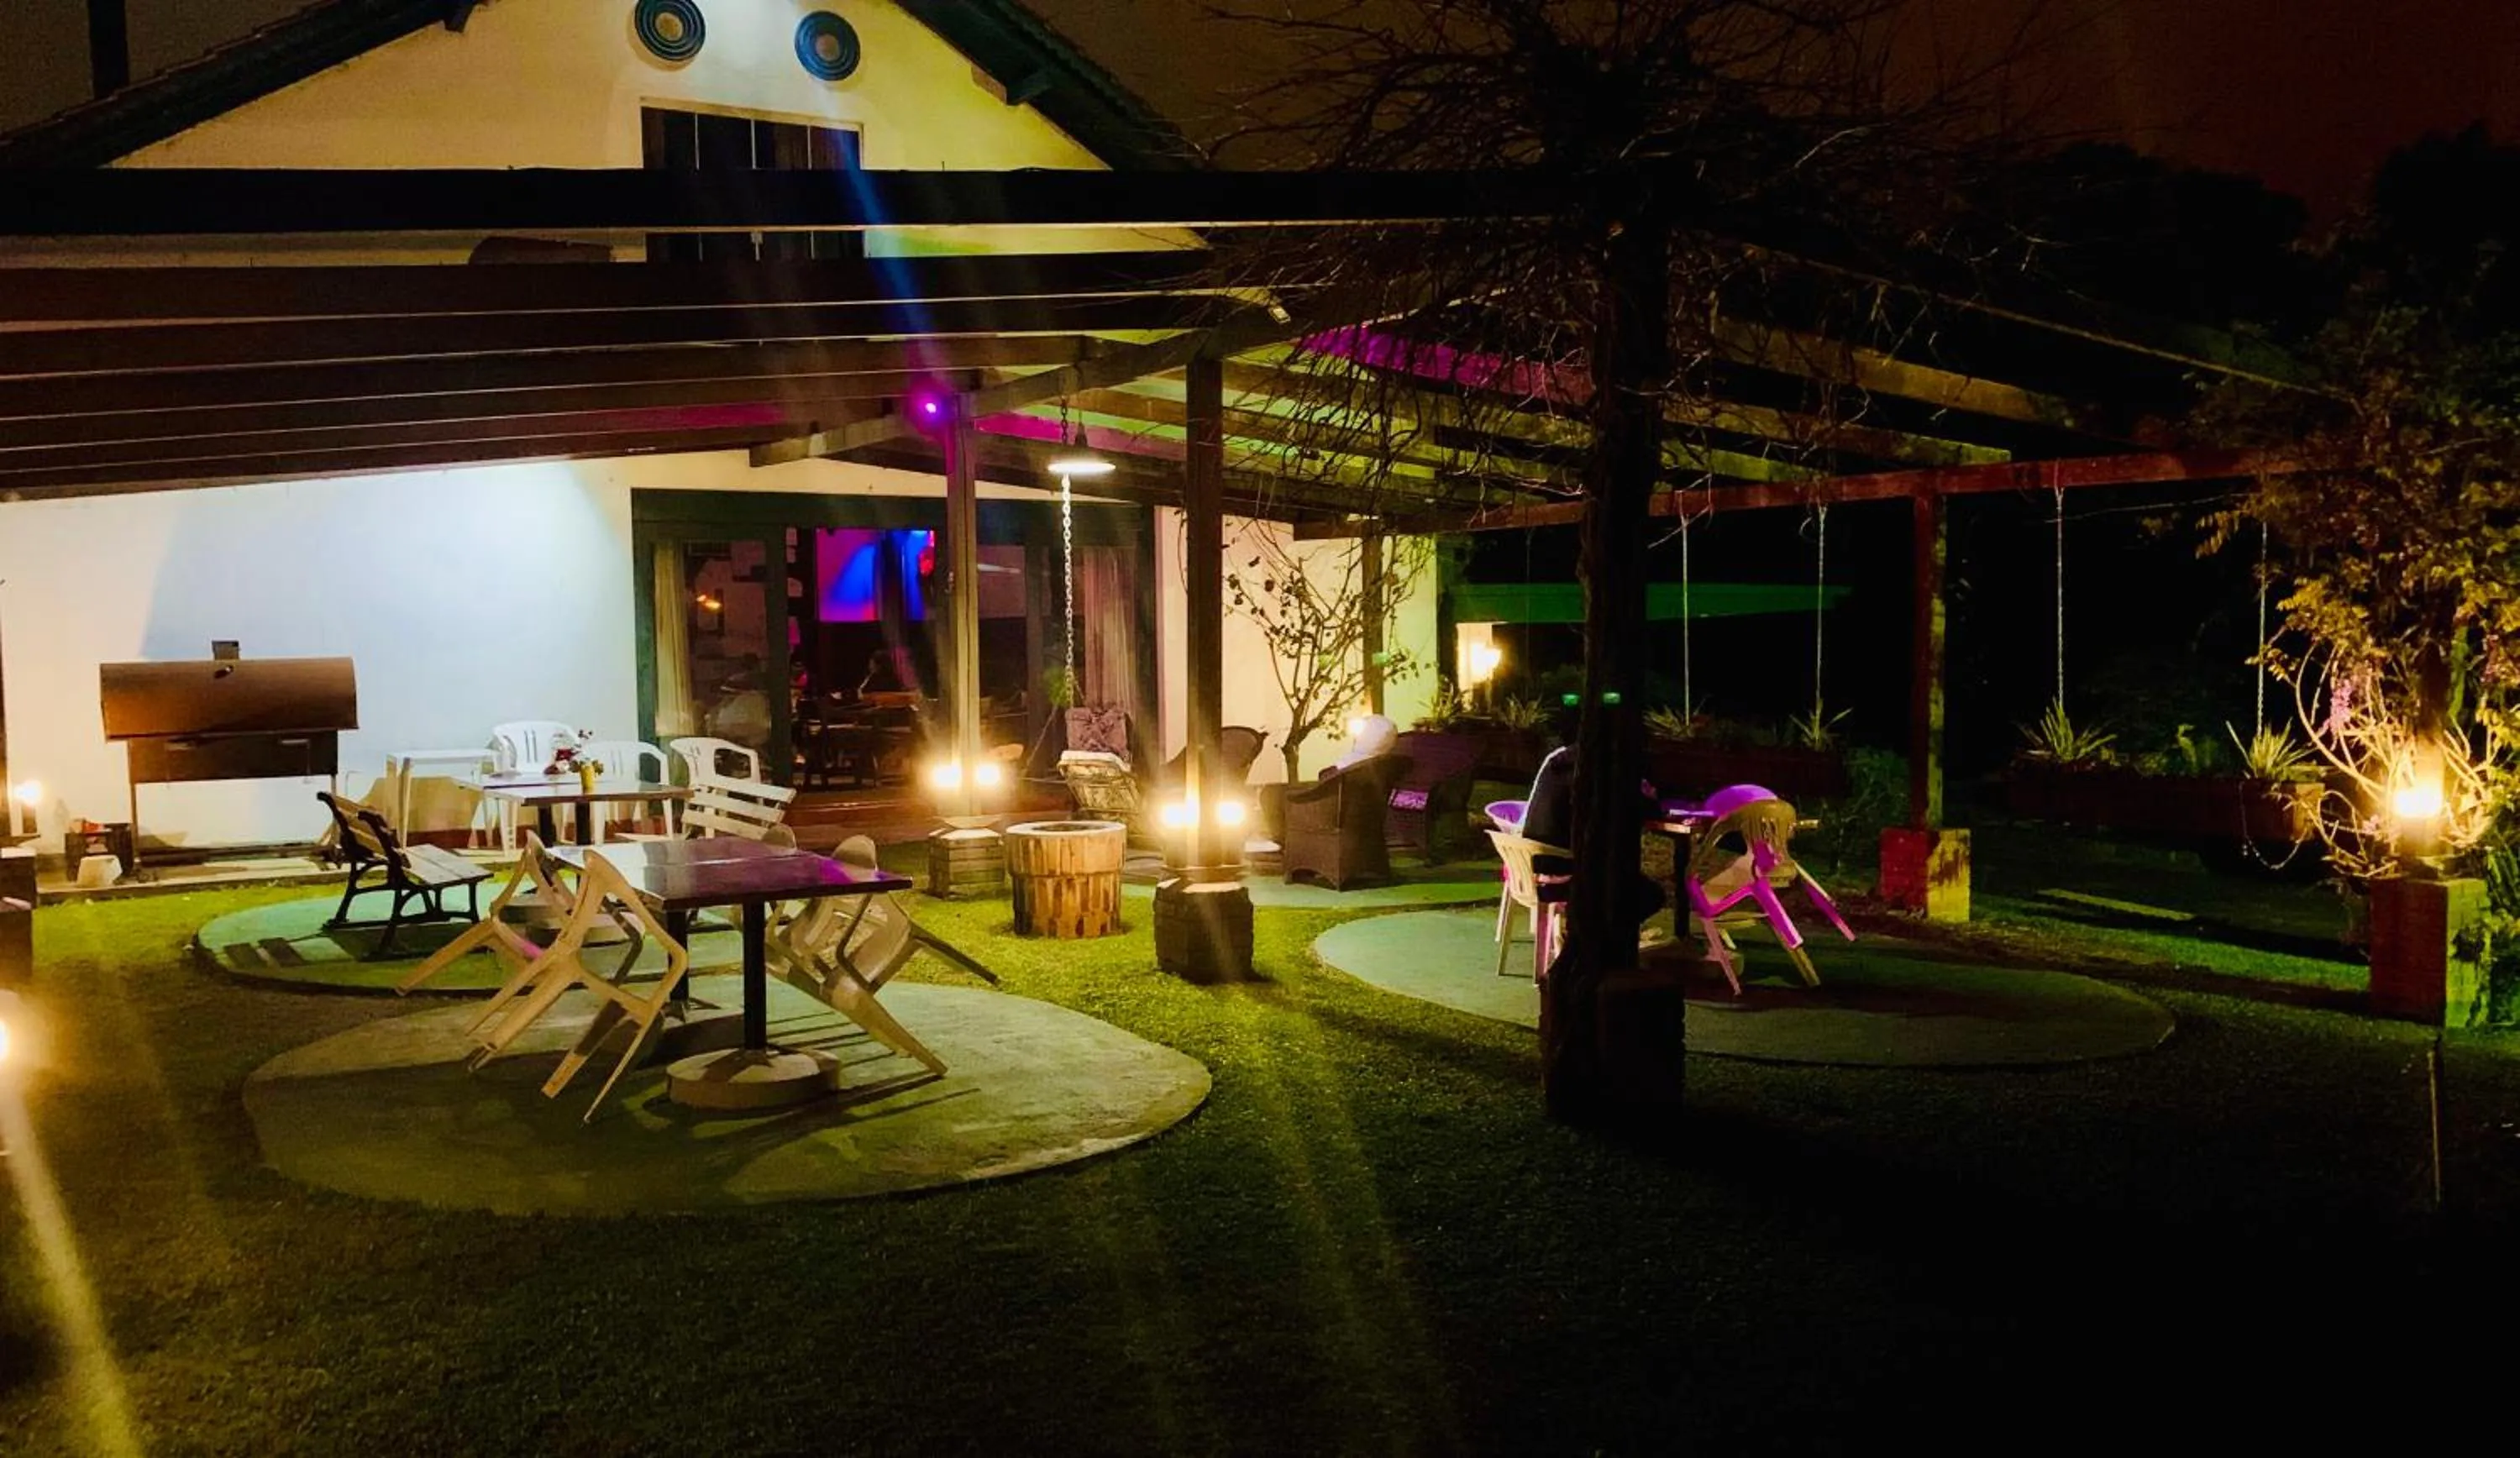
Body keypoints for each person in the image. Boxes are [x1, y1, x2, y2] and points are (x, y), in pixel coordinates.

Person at [1520, 705, 1667, 936]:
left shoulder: (1558, 761)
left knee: (1624, 876)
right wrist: (1648, 796)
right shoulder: (1600, 770)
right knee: (1651, 895)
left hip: (1531, 873)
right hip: (1568, 877)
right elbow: (1643, 811)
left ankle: (1602, 936)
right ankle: (1606, 940)